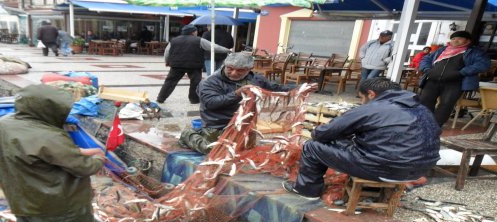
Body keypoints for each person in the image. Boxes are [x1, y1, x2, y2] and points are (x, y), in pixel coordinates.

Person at [0, 85, 107, 222]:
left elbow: (35, 153)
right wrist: (98, 159)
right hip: (59, 205)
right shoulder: (49, 135)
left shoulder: (1, 124)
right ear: (47, 109)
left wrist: (73, 151)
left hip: (22, 200)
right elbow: (83, 168)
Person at [283, 78, 441, 200]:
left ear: (371, 94)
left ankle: (307, 190)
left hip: (384, 168)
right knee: (360, 145)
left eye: (362, 97)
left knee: (312, 147)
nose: (362, 101)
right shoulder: (422, 109)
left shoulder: (371, 108)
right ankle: (377, 185)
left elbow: (323, 134)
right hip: (421, 169)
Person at [179, 52, 318, 154]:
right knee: (217, 152)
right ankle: (188, 134)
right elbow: (211, 103)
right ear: (225, 65)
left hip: (246, 123)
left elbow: (276, 88)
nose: (233, 73)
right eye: (230, 68)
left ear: (248, 69)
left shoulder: (255, 79)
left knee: (244, 151)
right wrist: (237, 93)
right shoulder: (210, 82)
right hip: (219, 124)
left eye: (240, 70)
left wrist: (301, 87)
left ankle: (205, 134)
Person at [419, 31, 490, 126]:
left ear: (468, 40)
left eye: (459, 38)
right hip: (433, 80)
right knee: (425, 101)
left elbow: (483, 64)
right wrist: (427, 69)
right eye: (453, 38)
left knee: (446, 104)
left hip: (454, 82)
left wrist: (462, 72)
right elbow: (426, 59)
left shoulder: (474, 52)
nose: (455, 40)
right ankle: (424, 124)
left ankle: (435, 126)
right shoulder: (442, 50)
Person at [156, 24, 231, 105]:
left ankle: (161, 98)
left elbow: (166, 52)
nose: (197, 32)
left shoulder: (174, 40)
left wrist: (167, 61)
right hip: (194, 65)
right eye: (196, 31)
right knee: (195, 83)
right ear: (192, 32)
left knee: (170, 82)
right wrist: (227, 50)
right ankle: (194, 100)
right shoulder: (199, 40)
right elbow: (214, 47)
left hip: (177, 65)